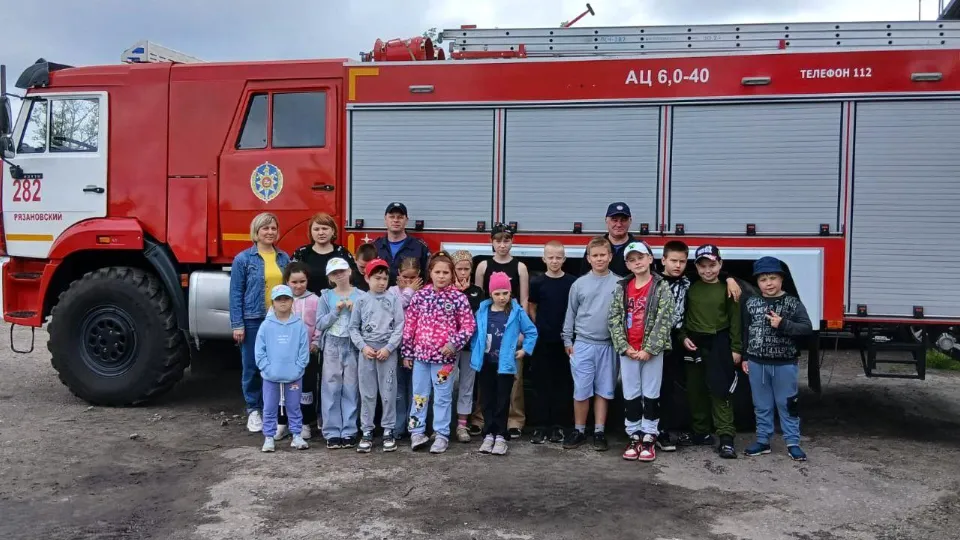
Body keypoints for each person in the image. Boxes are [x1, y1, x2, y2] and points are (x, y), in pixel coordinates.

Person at [658, 240, 742, 452]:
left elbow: (735, 321)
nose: (707, 270)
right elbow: (682, 316)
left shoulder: (728, 290)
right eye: (702, 266)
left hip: (719, 343)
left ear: (720, 265)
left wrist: (736, 348)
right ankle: (701, 432)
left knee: (720, 390)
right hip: (694, 344)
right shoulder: (690, 287)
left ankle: (726, 436)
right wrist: (683, 337)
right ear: (696, 267)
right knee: (695, 391)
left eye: (712, 265)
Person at [401, 253, 477, 454]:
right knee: (419, 395)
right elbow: (410, 325)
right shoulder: (420, 296)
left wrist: (453, 344)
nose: (441, 276)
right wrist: (408, 353)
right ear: (430, 273)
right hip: (421, 359)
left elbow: (469, 326)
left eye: (446, 272)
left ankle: (441, 434)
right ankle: (417, 432)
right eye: (437, 272)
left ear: (452, 275)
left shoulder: (458, 298)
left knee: (443, 397)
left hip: (444, 361)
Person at [607, 241, 675, 462]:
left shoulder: (661, 286)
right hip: (629, 350)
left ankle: (649, 435)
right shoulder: (622, 287)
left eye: (641, 258)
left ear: (649, 259)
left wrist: (650, 348)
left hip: (651, 351)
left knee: (651, 393)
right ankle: (634, 434)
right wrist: (624, 346)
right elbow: (614, 317)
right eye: (632, 259)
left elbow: (665, 318)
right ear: (627, 264)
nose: (637, 263)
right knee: (631, 393)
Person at [741, 257, 813, 462]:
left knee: (787, 403)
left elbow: (806, 328)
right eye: (763, 279)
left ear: (781, 279)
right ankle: (763, 440)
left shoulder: (792, 302)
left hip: (784, 363)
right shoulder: (751, 303)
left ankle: (792, 442)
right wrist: (746, 356)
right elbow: (746, 331)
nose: (769, 283)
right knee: (761, 404)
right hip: (757, 362)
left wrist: (783, 324)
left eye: (773, 278)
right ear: (757, 282)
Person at [229, 212, 290, 433]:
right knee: (252, 365)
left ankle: (270, 409)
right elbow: (235, 293)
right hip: (253, 319)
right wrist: (238, 324)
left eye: (273, 228)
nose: (270, 232)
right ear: (256, 232)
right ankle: (253, 409)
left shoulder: (284, 258)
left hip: (277, 319)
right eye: (265, 228)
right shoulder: (243, 259)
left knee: (275, 365)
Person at [561, 236, 622, 451]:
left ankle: (599, 431)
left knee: (604, 390)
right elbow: (571, 313)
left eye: (603, 255)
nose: (599, 259)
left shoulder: (619, 284)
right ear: (588, 258)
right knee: (582, 390)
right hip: (583, 344)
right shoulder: (579, 284)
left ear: (610, 256)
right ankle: (579, 430)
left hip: (608, 345)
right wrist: (568, 339)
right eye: (594, 255)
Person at [471, 272, 538, 456]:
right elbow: (475, 333)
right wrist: (475, 349)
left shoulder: (516, 312)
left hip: (506, 365)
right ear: (490, 294)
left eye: (505, 293)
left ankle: (501, 435)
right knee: (486, 400)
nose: (501, 297)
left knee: (502, 400)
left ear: (510, 294)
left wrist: (525, 350)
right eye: (497, 293)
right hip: (486, 363)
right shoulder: (483, 311)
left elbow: (531, 331)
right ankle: (488, 434)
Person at [474, 223, 530, 439]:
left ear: (512, 241)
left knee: (514, 376)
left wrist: (522, 331)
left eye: (506, 240)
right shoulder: (483, 267)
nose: (502, 245)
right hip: (489, 330)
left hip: (511, 328)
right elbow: (480, 301)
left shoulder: (520, 267)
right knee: (486, 377)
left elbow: (523, 299)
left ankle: (514, 419)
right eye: (498, 240)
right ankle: (480, 419)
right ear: (492, 242)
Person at [349, 258, 405, 453]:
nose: (381, 282)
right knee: (368, 393)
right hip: (367, 353)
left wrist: (389, 348)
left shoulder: (393, 299)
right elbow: (353, 327)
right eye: (377, 278)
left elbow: (399, 326)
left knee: (388, 392)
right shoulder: (361, 301)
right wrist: (363, 347)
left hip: (386, 352)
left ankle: (388, 430)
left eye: (385, 278)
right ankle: (367, 431)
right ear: (367, 277)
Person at [527, 240, 577, 444]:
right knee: (541, 382)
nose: (554, 261)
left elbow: (574, 309)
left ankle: (558, 426)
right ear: (543, 259)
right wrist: (538, 327)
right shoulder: (537, 283)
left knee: (562, 383)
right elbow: (532, 306)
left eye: (558, 257)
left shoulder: (572, 282)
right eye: (551, 257)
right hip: (543, 340)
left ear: (564, 259)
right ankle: (540, 426)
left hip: (564, 341)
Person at [256, 285, 311, 452]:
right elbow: (260, 350)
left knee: (294, 406)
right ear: (273, 303)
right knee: (269, 406)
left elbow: (304, 348)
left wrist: (299, 367)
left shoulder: (298, 325)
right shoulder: (266, 326)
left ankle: (296, 435)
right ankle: (269, 437)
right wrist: (266, 368)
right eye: (279, 299)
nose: (283, 302)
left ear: (292, 301)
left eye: (286, 298)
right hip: (270, 376)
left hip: (294, 375)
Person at [317, 257, 363, 449]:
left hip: (352, 344)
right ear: (330, 277)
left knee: (351, 387)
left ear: (350, 272)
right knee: (331, 386)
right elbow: (320, 324)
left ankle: (350, 429)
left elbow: (366, 323)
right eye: (335, 273)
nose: (340, 275)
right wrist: (335, 312)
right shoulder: (326, 297)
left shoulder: (361, 295)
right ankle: (332, 430)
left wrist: (354, 312)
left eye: (342, 271)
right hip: (332, 345)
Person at [274, 262, 322, 441]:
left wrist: (316, 341)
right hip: (285, 354)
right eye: (294, 282)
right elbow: (272, 324)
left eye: (302, 281)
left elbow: (320, 324)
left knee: (306, 389)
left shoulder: (315, 300)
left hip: (307, 353)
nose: (298, 285)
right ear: (287, 282)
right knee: (283, 388)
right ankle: (282, 422)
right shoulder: (281, 300)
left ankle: (304, 423)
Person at [391, 256, 423, 441]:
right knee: (398, 388)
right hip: (396, 346)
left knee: (416, 388)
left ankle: (415, 426)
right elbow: (396, 309)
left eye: (413, 278)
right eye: (405, 277)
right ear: (398, 274)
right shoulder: (392, 291)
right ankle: (398, 427)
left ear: (419, 275)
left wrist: (411, 291)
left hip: (417, 347)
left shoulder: (423, 292)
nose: (409, 282)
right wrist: (409, 291)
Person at [292, 212, 361, 294]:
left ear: (333, 231)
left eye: (325, 228)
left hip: (338, 303)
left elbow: (355, 279)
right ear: (311, 232)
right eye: (316, 229)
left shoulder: (342, 252)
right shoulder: (301, 253)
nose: (321, 233)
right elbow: (291, 279)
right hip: (308, 304)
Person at [374, 202, 431, 285]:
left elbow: (427, 277)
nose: (396, 220)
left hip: (411, 296)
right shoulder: (375, 246)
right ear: (385, 219)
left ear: (406, 220)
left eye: (400, 217)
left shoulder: (420, 247)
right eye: (392, 217)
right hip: (380, 296)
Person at [580, 202, 639, 277]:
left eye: (623, 220)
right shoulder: (595, 246)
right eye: (614, 220)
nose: (619, 224)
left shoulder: (639, 247)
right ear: (606, 220)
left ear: (630, 221)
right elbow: (584, 276)